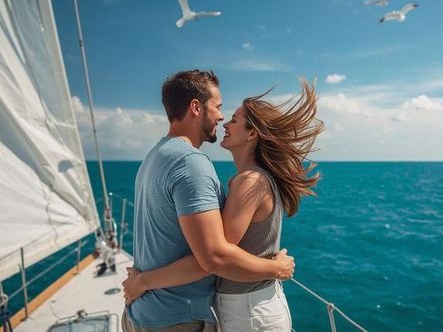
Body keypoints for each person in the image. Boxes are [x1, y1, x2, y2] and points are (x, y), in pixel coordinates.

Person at [122, 77, 324, 331]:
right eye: (218, 107)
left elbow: (216, 255)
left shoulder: (155, 157)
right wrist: (275, 268)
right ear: (196, 108)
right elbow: (215, 256)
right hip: (185, 315)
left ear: (252, 134)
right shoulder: (193, 164)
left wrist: (143, 280)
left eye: (234, 120)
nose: (223, 119)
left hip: (243, 311)